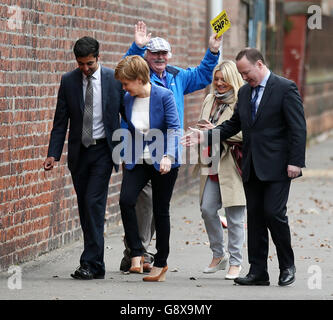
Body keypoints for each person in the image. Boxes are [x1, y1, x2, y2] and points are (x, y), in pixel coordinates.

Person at [182, 48, 306, 286]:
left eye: (246, 72)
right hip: (250, 165)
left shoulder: (285, 88)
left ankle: (287, 266)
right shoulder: (244, 92)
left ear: (259, 65)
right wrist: (204, 137)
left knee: (274, 214)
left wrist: (296, 162)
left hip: (279, 166)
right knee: (256, 218)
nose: (244, 77)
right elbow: (232, 125)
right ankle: (258, 271)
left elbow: (298, 128)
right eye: (241, 74)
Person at [119, 21, 222, 271]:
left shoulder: (177, 76)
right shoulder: (140, 76)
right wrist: (137, 45)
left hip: (166, 152)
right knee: (138, 200)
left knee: (157, 207)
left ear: (170, 55)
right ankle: (136, 251)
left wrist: (213, 51)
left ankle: (145, 254)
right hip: (138, 150)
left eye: (164, 53)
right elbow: (124, 69)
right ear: (147, 56)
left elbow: (202, 75)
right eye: (154, 53)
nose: (160, 57)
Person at [43, 36, 125, 280]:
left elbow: (127, 114)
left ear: (98, 57)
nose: (85, 69)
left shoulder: (113, 80)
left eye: (89, 63)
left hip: (103, 151)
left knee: (92, 203)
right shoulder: (68, 81)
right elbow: (61, 121)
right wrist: (53, 153)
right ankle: (95, 264)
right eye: (80, 64)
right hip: (79, 154)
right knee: (85, 207)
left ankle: (89, 262)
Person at [115, 55, 181, 282]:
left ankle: (161, 262)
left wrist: (168, 156)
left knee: (161, 210)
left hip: (163, 161)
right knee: (126, 200)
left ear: (139, 78)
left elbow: (174, 127)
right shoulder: (127, 98)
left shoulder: (164, 95)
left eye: (126, 82)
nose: (123, 87)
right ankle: (136, 252)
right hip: (137, 159)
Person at [192, 61, 246, 280]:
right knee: (207, 209)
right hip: (211, 161)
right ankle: (218, 254)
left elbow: (244, 133)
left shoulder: (242, 101)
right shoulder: (209, 99)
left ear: (233, 79)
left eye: (223, 79)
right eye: (216, 79)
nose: (219, 83)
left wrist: (215, 131)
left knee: (234, 216)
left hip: (232, 164)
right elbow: (204, 126)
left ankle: (235, 262)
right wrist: (199, 132)